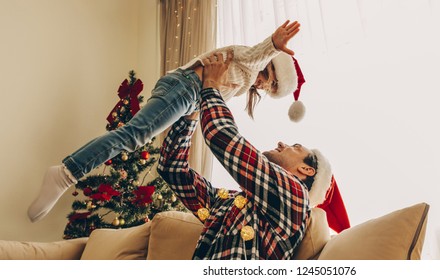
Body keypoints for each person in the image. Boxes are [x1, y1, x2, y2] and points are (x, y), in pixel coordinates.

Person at [27, 20, 302, 223]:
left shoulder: (242, 81)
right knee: (134, 135)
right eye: (272, 80)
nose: (266, 85)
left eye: (272, 88)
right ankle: (65, 174)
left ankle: (64, 173)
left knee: (136, 136)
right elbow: (256, 56)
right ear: (271, 64)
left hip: (189, 96)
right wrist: (273, 45)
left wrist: (194, 115)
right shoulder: (249, 60)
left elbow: (212, 97)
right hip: (185, 87)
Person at [157, 50, 335, 259]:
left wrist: (211, 86)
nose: (281, 142)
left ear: (306, 169)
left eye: (295, 146)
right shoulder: (231, 203)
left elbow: (222, 138)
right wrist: (191, 116)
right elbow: (172, 169)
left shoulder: (295, 197)